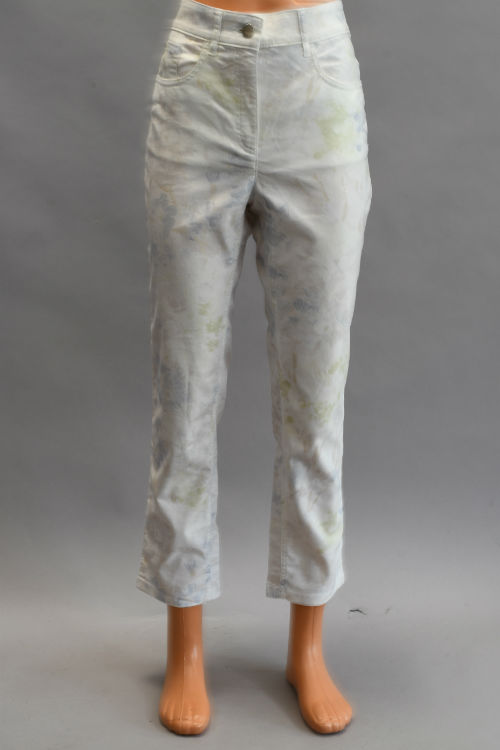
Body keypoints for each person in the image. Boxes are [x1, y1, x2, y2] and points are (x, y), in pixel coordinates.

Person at [136, 0, 372, 734]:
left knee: (316, 401)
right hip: (200, 80)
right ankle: (185, 647)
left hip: (315, 81)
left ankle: (308, 649)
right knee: (184, 394)